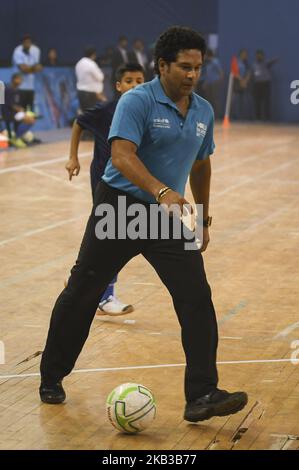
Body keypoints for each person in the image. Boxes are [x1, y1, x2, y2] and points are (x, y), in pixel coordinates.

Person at [39, 26, 248, 423]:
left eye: (197, 68)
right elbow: (121, 156)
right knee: (83, 291)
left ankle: (202, 393)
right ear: (162, 65)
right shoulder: (136, 100)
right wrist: (161, 190)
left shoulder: (202, 109)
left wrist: (202, 218)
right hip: (120, 207)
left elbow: (202, 163)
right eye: (184, 67)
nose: (191, 75)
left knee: (196, 296)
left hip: (165, 215)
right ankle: (52, 374)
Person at [66, 63, 145, 314]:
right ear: (118, 86)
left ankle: (80, 282)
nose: (134, 86)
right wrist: (73, 158)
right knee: (113, 235)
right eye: (129, 81)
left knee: (110, 237)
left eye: (139, 81)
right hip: (104, 181)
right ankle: (105, 296)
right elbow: (79, 122)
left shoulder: (146, 110)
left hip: (130, 182)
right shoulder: (106, 110)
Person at [1, 73, 36, 148]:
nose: (21, 81)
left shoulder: (18, 91)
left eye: (21, 80)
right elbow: (8, 104)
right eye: (19, 79)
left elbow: (19, 104)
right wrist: (19, 109)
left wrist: (22, 110)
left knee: (32, 117)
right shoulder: (7, 89)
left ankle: (18, 136)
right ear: (14, 79)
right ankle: (16, 138)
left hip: (16, 113)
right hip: (8, 113)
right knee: (29, 120)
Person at [12, 34, 42, 112]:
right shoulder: (17, 51)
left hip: (30, 87)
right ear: (22, 43)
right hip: (19, 87)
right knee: (20, 112)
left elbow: (39, 68)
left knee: (29, 113)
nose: (27, 44)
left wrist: (29, 68)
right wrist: (32, 68)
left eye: (29, 42)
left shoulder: (35, 51)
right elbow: (23, 69)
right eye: (25, 42)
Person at [75, 46, 107, 112]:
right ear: (93, 54)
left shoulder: (78, 63)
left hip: (81, 93)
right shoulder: (91, 64)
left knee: (85, 114)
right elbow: (100, 77)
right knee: (92, 115)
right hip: (91, 94)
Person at [252, 50, 278, 121]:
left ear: (263, 56)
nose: (259, 56)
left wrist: (275, 60)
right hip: (257, 84)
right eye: (258, 55)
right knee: (257, 102)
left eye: (261, 55)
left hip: (266, 83)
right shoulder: (254, 65)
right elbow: (251, 74)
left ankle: (267, 117)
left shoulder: (265, 63)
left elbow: (271, 62)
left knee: (267, 101)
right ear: (256, 56)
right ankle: (258, 118)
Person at [199, 49, 224, 119]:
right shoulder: (208, 63)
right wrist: (205, 83)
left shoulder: (215, 61)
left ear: (207, 55)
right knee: (209, 100)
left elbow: (221, 72)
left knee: (215, 99)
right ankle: (209, 116)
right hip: (208, 84)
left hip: (215, 83)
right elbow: (208, 75)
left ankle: (217, 116)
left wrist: (218, 82)